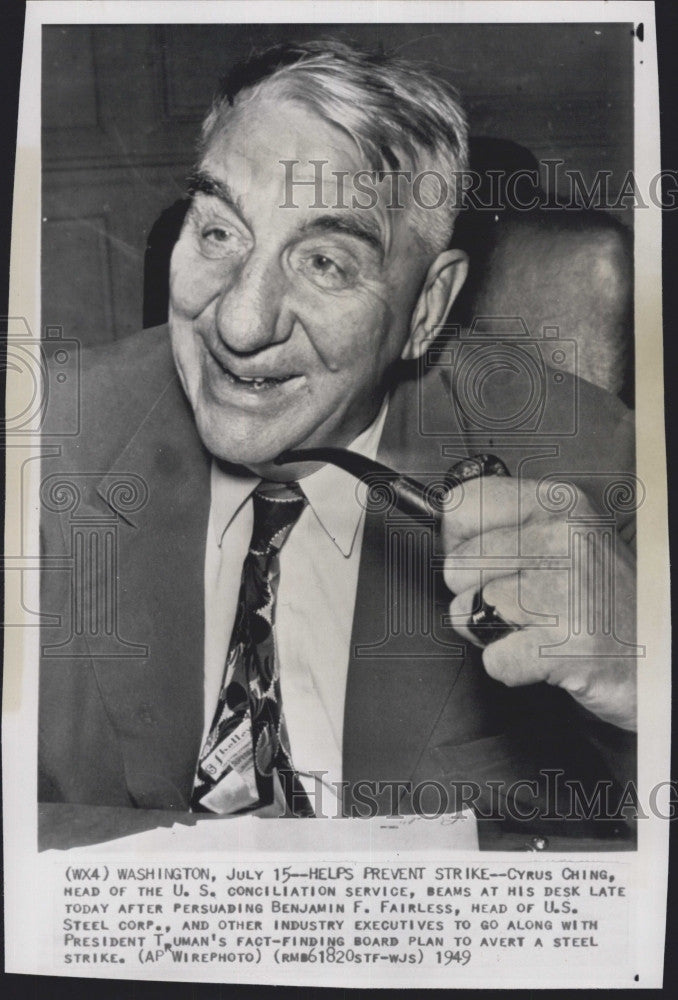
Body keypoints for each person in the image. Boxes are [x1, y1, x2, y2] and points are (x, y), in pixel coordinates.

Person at [39, 40, 637, 844]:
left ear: (427, 308)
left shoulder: (598, 470)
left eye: (325, 261)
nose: (241, 326)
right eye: (218, 232)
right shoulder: (46, 440)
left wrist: (651, 682)